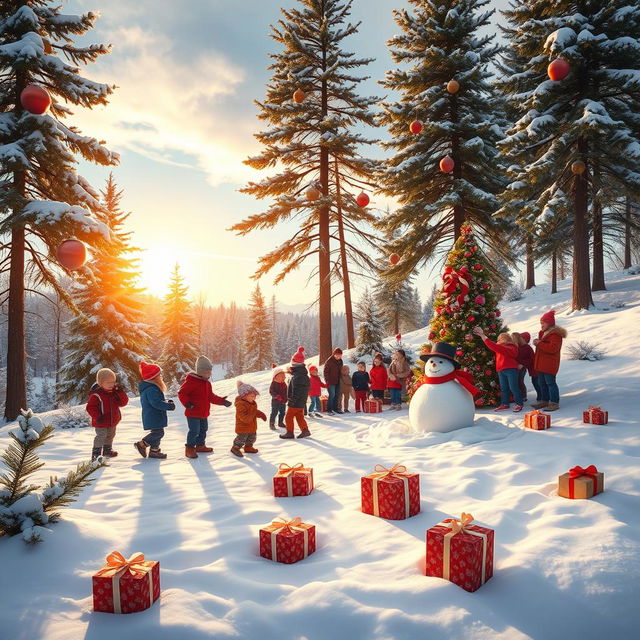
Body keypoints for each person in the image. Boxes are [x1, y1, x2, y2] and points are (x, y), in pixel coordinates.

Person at [178, 355, 232, 459]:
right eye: (206, 372)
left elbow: (211, 397)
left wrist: (222, 401)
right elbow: (181, 393)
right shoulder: (191, 381)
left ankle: (200, 446)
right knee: (194, 431)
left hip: (203, 413)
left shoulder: (207, 383)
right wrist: (187, 403)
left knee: (203, 429)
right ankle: (189, 449)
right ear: (200, 372)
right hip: (193, 412)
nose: (209, 374)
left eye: (210, 372)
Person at [473, 327, 523, 412]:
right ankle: (505, 404)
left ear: (505, 339)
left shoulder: (512, 347)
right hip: (501, 370)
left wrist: (483, 336)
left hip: (511, 370)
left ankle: (519, 403)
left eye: (499, 339)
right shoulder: (500, 348)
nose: (498, 341)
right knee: (504, 388)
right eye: (498, 339)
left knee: (513, 387)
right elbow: (494, 346)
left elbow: (495, 346)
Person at [85, 367, 129, 461]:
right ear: (100, 383)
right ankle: (96, 454)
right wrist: (97, 416)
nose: (111, 385)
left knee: (110, 435)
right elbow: (90, 407)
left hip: (113, 420)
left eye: (113, 382)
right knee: (101, 436)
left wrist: (120, 392)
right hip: (101, 420)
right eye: (108, 383)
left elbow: (123, 403)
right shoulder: (96, 395)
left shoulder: (114, 392)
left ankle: (107, 450)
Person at [134, 362, 175, 459]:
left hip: (154, 415)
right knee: (158, 433)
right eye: (159, 375)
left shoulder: (151, 388)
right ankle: (142, 444)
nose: (161, 377)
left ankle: (154, 451)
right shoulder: (151, 389)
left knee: (157, 433)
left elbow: (156, 401)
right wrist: (168, 406)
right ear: (154, 377)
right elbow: (156, 403)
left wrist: (166, 402)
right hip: (153, 416)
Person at [531, 310, 567, 411]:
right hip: (541, 363)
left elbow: (553, 348)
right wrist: (537, 343)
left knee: (550, 383)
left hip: (549, 364)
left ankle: (554, 402)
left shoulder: (555, 334)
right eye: (541, 323)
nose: (541, 325)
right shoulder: (543, 333)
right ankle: (544, 400)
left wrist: (539, 343)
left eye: (543, 323)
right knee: (542, 383)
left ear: (549, 323)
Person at [281, 347, 311, 439]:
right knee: (299, 416)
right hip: (301, 401)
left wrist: (292, 401)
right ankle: (305, 430)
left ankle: (290, 433)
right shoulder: (302, 374)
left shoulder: (298, 376)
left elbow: (297, 390)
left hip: (295, 401)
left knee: (288, 417)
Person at [231, 381, 267, 457]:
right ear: (244, 396)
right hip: (243, 427)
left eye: (254, 396)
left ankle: (248, 447)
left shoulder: (252, 402)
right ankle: (235, 448)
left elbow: (253, 411)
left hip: (252, 425)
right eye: (251, 396)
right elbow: (244, 418)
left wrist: (260, 414)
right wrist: (254, 413)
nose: (254, 398)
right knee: (241, 439)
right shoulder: (240, 404)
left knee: (252, 437)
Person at [512, 331, 536, 403]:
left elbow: (531, 359)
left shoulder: (527, 348)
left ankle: (523, 396)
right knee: (514, 382)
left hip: (522, 368)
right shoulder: (516, 346)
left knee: (519, 381)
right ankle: (515, 396)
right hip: (514, 367)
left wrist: (523, 364)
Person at [323, 347, 343, 415]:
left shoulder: (340, 361)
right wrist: (327, 381)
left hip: (337, 380)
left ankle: (335, 408)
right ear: (334, 354)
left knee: (337, 395)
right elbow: (325, 372)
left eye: (340, 355)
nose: (338, 356)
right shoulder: (329, 361)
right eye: (337, 355)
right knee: (332, 394)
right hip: (330, 381)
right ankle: (329, 409)